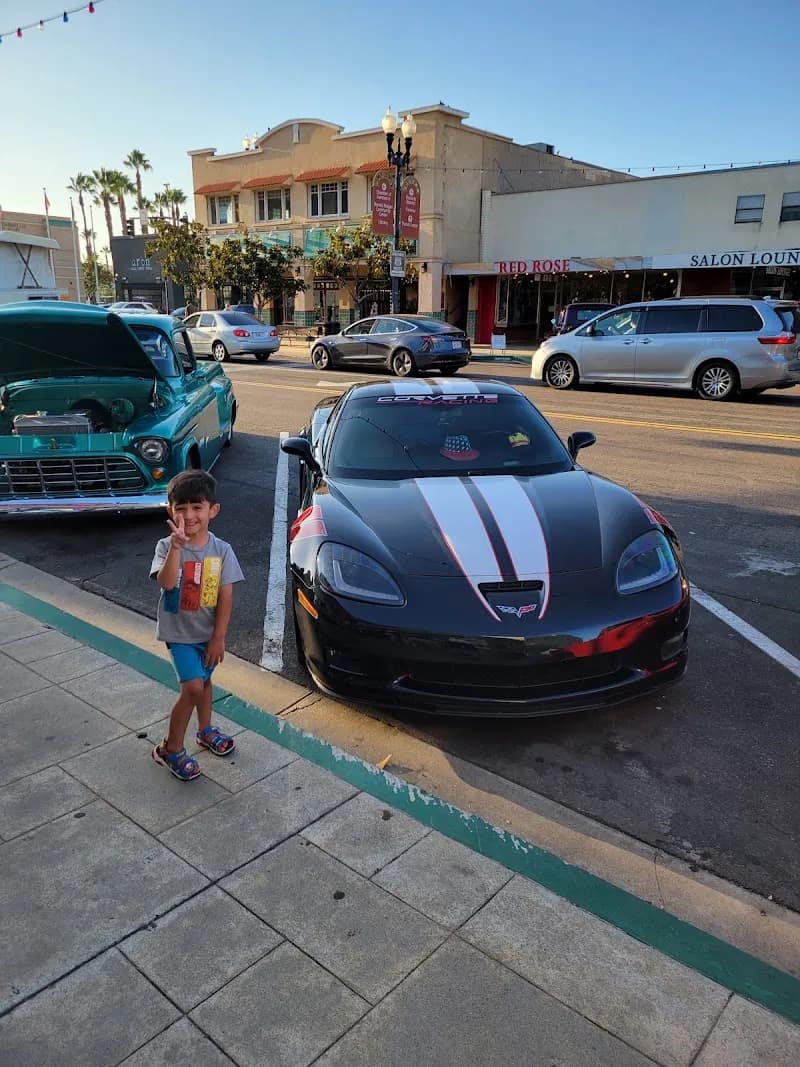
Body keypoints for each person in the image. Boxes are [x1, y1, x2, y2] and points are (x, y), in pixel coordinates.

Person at [149, 469, 244, 781]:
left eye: (197, 507)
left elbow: (226, 595)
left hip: (208, 634)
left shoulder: (222, 550)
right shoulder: (166, 546)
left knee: (203, 682)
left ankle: (205, 730)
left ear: (212, 510)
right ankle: (170, 748)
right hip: (179, 634)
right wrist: (177, 548)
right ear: (170, 510)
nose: (189, 515)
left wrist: (219, 637)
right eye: (181, 508)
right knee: (191, 686)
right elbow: (165, 583)